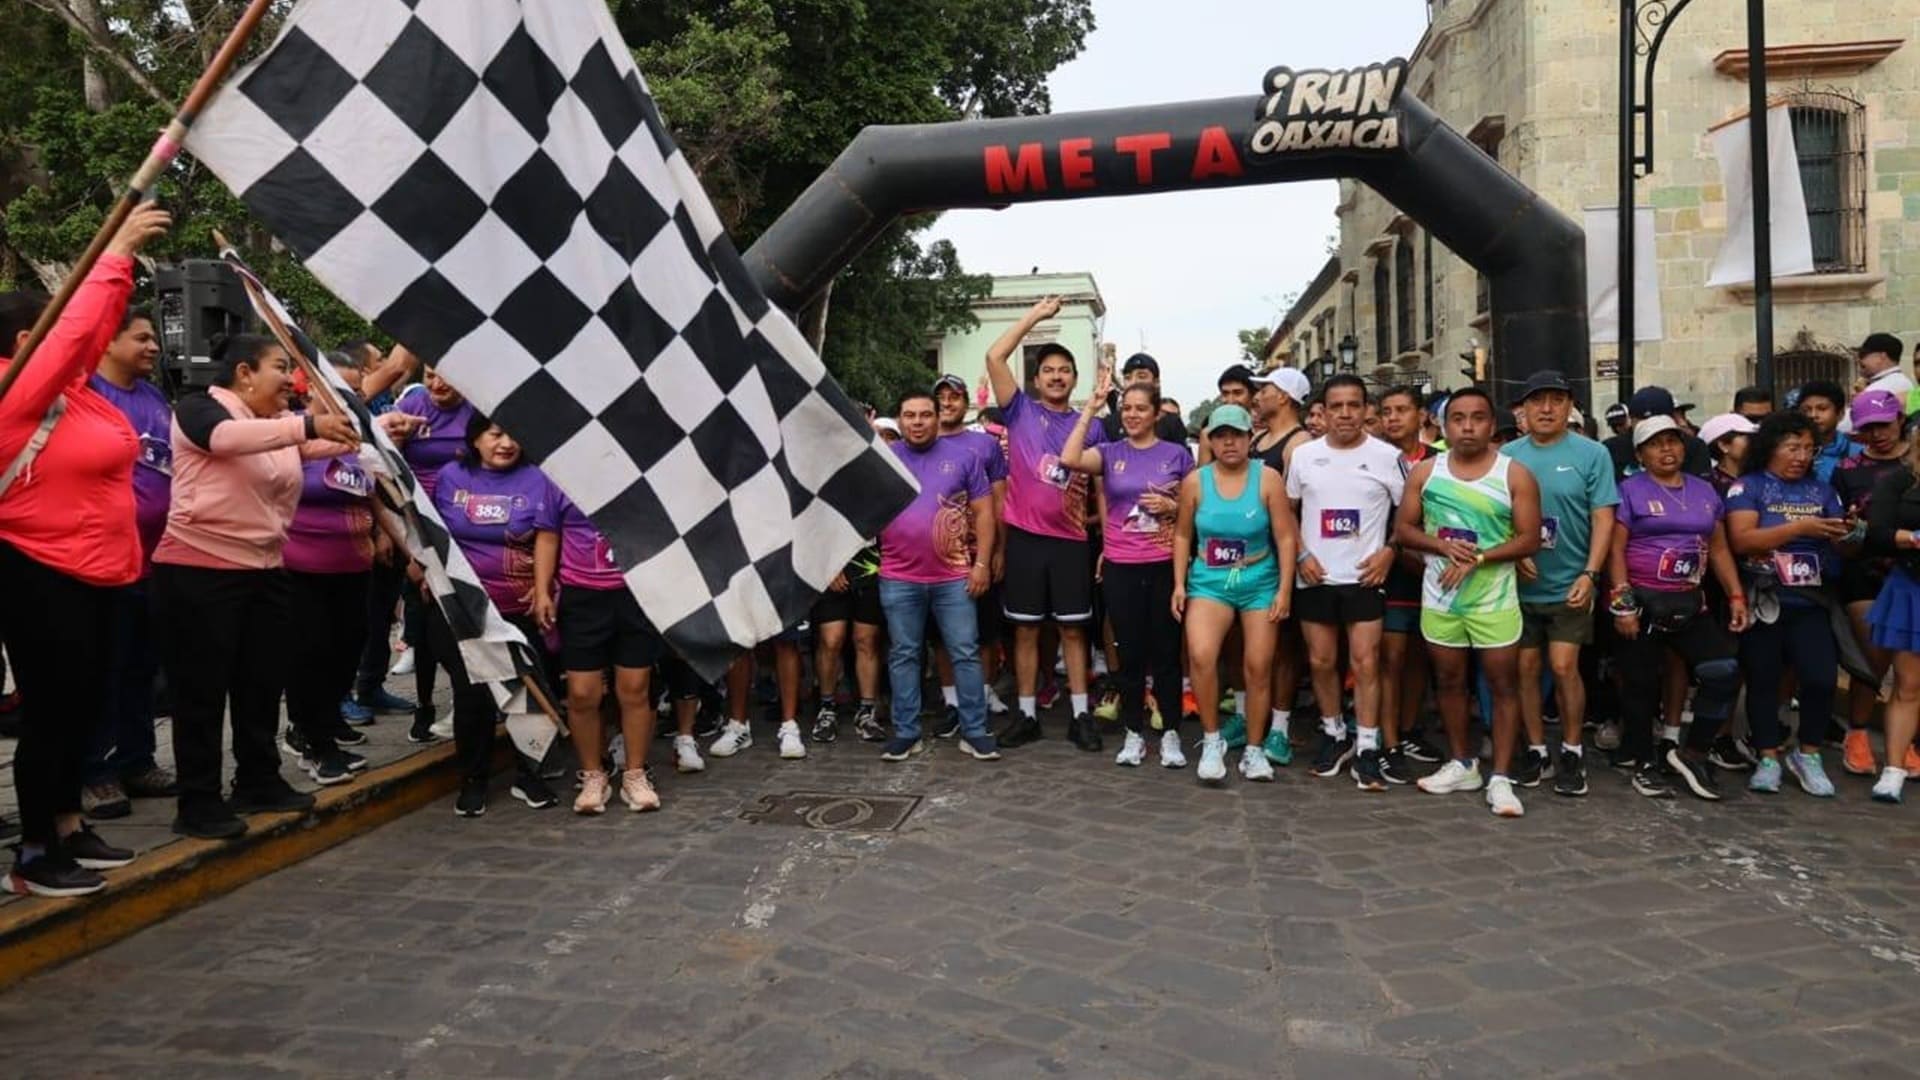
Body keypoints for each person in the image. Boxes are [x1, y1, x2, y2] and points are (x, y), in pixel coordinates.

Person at [0, 205, 166, 896]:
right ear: (21, 337)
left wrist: (117, 282)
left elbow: (88, 332)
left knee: (85, 704)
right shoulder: (12, 391)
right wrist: (115, 253)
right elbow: (73, 333)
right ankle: (35, 853)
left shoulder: (72, 393)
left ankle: (69, 823)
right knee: (52, 711)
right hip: (41, 573)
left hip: (101, 573)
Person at [152, 332, 361, 840]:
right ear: (244, 373)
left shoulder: (272, 426)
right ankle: (199, 800)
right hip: (202, 571)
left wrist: (376, 431)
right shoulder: (199, 409)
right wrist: (306, 423)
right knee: (202, 693)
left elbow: (311, 443)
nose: (289, 380)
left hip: (265, 570)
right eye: (278, 367)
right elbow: (225, 441)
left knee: (261, 683)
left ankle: (258, 778)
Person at [1393, 387, 1542, 818]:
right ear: (1443, 424)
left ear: (1491, 425)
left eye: (1477, 418)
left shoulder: (1514, 474)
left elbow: (1530, 539)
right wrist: (1440, 546)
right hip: (1442, 597)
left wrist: (1479, 557)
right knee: (1449, 680)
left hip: (1494, 599)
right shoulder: (1426, 472)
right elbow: (1404, 529)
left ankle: (1501, 777)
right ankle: (1462, 762)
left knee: (1503, 684)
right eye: (1458, 418)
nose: (1468, 426)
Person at [429, 415, 563, 816]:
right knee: (472, 698)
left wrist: (542, 591)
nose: (506, 443)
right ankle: (473, 780)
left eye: (515, 435)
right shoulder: (451, 476)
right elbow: (435, 533)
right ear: (475, 439)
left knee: (527, 694)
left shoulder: (539, 478)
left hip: (517, 607)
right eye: (495, 434)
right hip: (460, 608)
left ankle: (530, 775)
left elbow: (546, 536)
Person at [1608, 416, 1748, 800]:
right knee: (1640, 684)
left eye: (1673, 441)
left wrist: (1735, 594)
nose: (1666, 450)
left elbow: (1718, 548)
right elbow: (1615, 549)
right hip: (1642, 600)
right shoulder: (1628, 491)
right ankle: (1644, 762)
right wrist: (1622, 605)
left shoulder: (1704, 491)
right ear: (1640, 454)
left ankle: (1692, 752)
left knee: (1722, 671)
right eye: (1655, 444)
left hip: (1689, 601)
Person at [984, 297, 1103, 750]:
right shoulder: (1019, 411)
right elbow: (995, 356)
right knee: (1026, 629)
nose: (1056, 376)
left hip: (1072, 541)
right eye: (1048, 369)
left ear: (1075, 379)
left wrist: (1105, 538)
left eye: (1064, 370)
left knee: (1074, 630)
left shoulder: (1090, 425)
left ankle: (1080, 715)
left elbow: (1103, 487)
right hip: (1026, 540)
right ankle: (1027, 715)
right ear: (1036, 379)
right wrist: (1035, 317)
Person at [1062, 368, 1193, 768]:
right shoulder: (1110, 452)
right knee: (1129, 654)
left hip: (1162, 565)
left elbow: (1194, 510)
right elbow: (1068, 459)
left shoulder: (1178, 455)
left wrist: (1173, 507)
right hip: (1121, 565)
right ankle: (1134, 732)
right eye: (1127, 409)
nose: (1132, 415)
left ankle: (1170, 732)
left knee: (1167, 654)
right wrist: (1091, 408)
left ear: (1156, 414)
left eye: (1141, 409)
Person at [80, 307, 180, 820]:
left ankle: (138, 761)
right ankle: (93, 773)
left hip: (154, 562)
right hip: (100, 562)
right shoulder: (87, 396)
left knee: (143, 668)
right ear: (108, 341)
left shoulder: (154, 398)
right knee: (103, 668)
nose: (153, 346)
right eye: (141, 338)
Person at [1500, 370, 1618, 798]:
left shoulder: (1591, 454)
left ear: (1570, 407)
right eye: (1537, 401)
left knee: (1565, 667)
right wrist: (1516, 552)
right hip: (1519, 584)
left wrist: (1591, 573)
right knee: (1526, 670)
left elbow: (1603, 517)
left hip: (1571, 583)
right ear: (1523, 410)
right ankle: (1536, 750)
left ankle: (1571, 749)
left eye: (1555, 400)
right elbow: (1496, 516)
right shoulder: (1508, 455)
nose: (1546, 409)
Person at [1287, 375, 1404, 789]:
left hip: (1364, 576)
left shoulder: (1388, 457)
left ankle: (1368, 745)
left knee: (1365, 661)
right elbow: (1287, 512)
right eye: (1336, 406)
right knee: (1320, 661)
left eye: (1353, 405)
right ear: (1321, 411)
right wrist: (1301, 553)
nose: (1345, 414)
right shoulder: (1303, 456)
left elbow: (1408, 517)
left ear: (1364, 409)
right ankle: (1335, 733)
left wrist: (1389, 551)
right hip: (1316, 575)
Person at [1171, 404, 1299, 784]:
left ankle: (1255, 750)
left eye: (1237, 434)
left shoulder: (1268, 478)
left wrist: (1285, 589)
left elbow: (1286, 536)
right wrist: (1179, 583)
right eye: (1221, 435)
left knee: (1259, 665)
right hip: (1210, 579)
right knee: (1202, 654)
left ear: (1249, 438)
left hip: (1258, 578)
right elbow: (1181, 534)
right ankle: (1212, 742)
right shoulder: (1196, 481)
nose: (1229, 442)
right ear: (1210, 440)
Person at [1726, 412, 1848, 797]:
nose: (1801, 456)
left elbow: (1841, 537)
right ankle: (1767, 756)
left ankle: (1808, 753)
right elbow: (1743, 540)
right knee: (1763, 678)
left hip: (1811, 600)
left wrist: (1849, 535)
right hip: (1765, 599)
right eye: (1792, 447)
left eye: (1809, 449)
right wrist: (1799, 529)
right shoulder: (1749, 487)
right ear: (1770, 447)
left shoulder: (1822, 491)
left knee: (1820, 676)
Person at [874, 392, 1000, 762]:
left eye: (925, 414)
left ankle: (975, 731)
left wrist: (982, 564)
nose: (917, 422)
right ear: (899, 420)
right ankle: (907, 732)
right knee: (904, 655)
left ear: (937, 417)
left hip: (954, 578)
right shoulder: (886, 460)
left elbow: (985, 514)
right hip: (898, 576)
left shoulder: (964, 458)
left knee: (965, 652)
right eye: (909, 415)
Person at [534, 493, 664, 814]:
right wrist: (542, 591)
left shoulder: (640, 468)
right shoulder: (559, 473)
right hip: (581, 598)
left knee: (635, 689)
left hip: (636, 594)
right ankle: (593, 775)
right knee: (581, 693)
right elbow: (548, 536)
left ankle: (635, 774)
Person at [279, 421, 380, 786]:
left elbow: (374, 495)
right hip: (299, 569)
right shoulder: (292, 438)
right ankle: (317, 745)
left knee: (348, 649)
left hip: (353, 567)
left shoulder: (361, 445)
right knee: (311, 656)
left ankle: (321, 731)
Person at [387, 368, 471, 740]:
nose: (437, 385)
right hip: (416, 526)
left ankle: (466, 703)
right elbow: (386, 469)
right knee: (421, 621)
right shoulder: (410, 405)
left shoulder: (481, 409)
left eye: (448, 377)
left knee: (462, 626)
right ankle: (424, 707)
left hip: (466, 530)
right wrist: (409, 546)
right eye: (431, 375)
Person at [1833, 391, 1910, 778]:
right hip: (1866, 573)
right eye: (1868, 428)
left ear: (1900, 419)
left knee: (1911, 666)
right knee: (1876, 656)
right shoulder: (1847, 469)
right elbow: (1840, 525)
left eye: (1884, 423)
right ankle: (1859, 732)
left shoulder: (1914, 464)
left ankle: (1906, 740)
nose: (1878, 433)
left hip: (1911, 574)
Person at [931, 372, 1012, 730]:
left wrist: (998, 551)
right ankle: (951, 703)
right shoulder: (919, 440)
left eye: (955, 397)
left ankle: (979, 693)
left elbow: (999, 502)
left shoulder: (985, 446)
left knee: (984, 632)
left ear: (967, 403)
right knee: (942, 637)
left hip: (977, 554)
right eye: (942, 397)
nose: (948, 403)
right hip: (933, 557)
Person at [1374, 386, 1443, 780]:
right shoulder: (1374, 460)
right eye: (1386, 411)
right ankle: (1388, 741)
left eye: (1402, 410)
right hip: (1390, 571)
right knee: (1391, 659)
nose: (1393, 418)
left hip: (1432, 571)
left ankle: (1410, 727)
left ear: (1422, 416)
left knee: (1420, 656)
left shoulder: (1441, 462)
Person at [1247, 366, 1313, 763]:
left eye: (1265, 389)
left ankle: (1279, 726)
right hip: (1252, 554)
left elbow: (1293, 507)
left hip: (1279, 552)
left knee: (1284, 643)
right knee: (1255, 644)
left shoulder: (1298, 443)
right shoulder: (1257, 437)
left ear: (1285, 396)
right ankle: (1250, 713)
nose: (1258, 396)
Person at [1863, 416, 1920, 802]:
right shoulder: (1901, 481)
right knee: (1908, 684)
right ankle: (1894, 768)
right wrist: (1912, 538)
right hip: (1913, 587)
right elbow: (1877, 532)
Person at [1605, 386, 1709, 482]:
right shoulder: (1610, 449)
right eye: (1644, 421)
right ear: (1631, 420)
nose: (1652, 428)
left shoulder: (1694, 447)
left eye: (1658, 421)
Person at [1103, 353, 1192, 444]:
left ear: (1156, 382)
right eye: (1128, 378)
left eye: (1142, 377)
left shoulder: (1171, 423)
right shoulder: (1111, 423)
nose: (1134, 382)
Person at [1797, 380, 1859, 484]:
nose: (1813, 415)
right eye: (1806, 410)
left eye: (1822, 408)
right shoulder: (1788, 452)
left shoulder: (1856, 453)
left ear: (1841, 414)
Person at [1699, 413, 1758, 500]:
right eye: (1747, 438)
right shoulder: (1706, 485)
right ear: (1724, 445)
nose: (1753, 442)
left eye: (1755, 437)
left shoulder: (1762, 477)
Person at [1858, 333, 1912, 405]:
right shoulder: (1907, 383)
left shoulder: (1876, 390)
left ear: (1882, 357)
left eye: (1863, 354)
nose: (1860, 360)